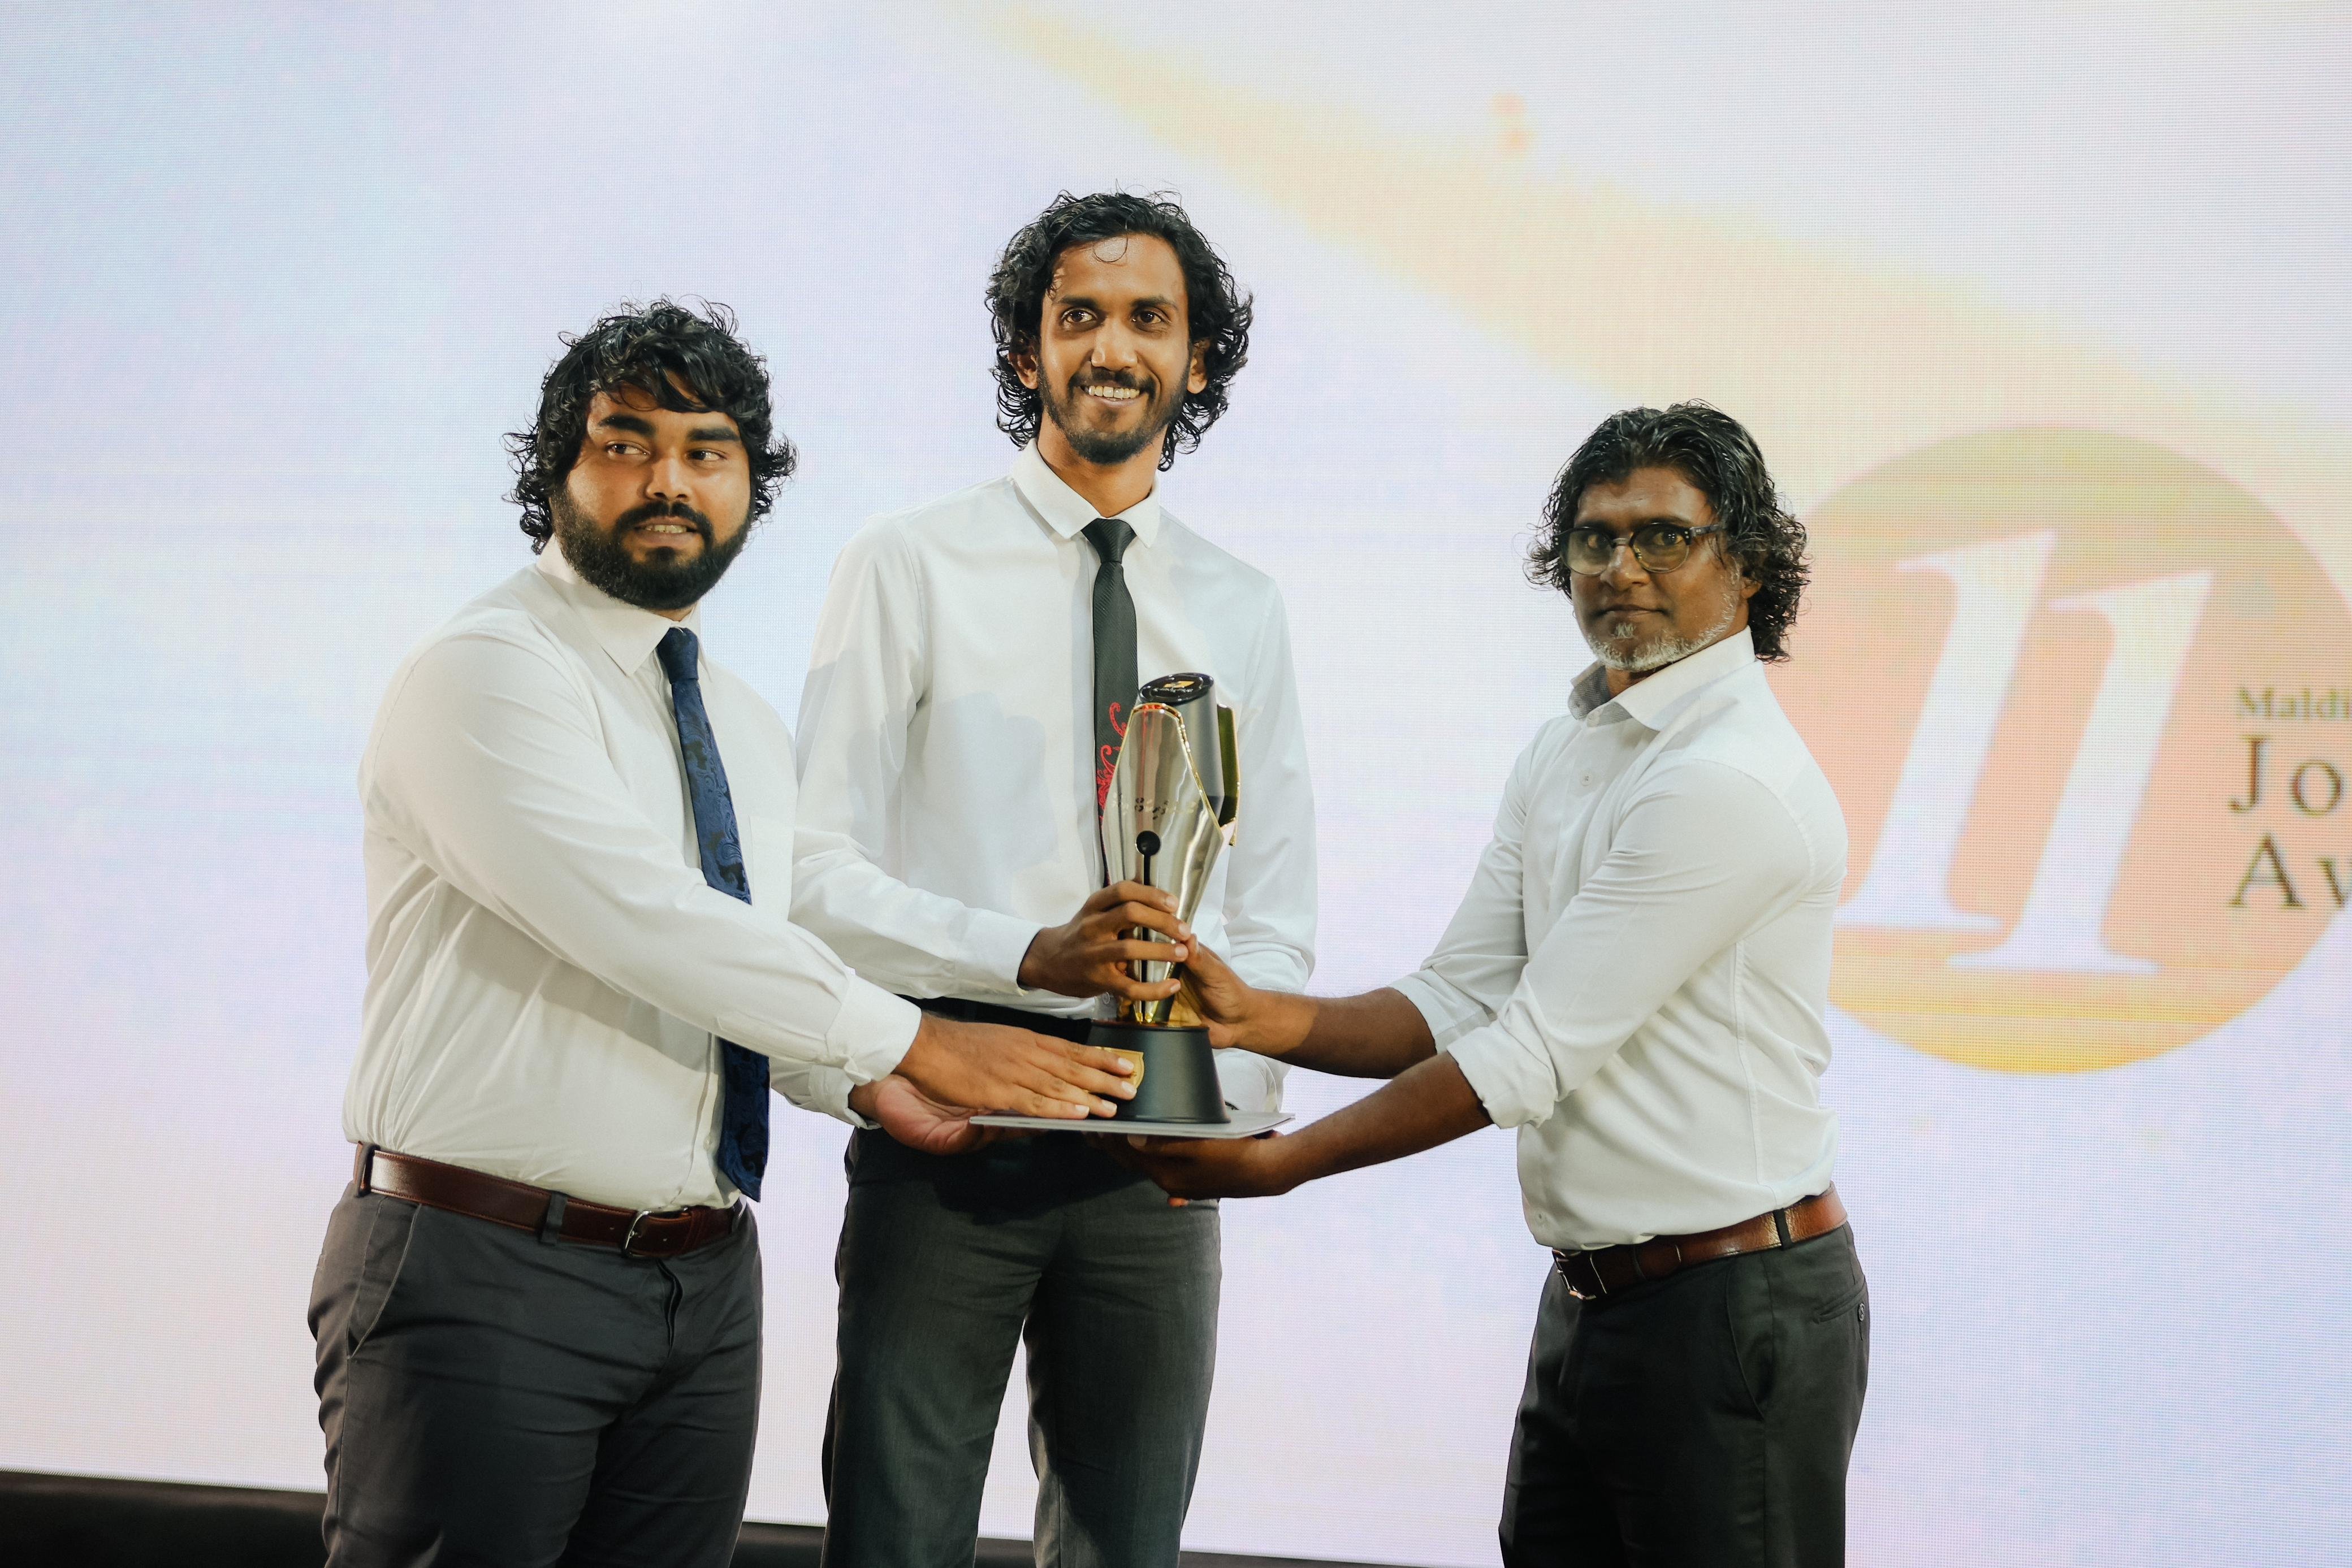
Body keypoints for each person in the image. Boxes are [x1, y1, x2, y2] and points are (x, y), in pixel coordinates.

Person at [308, 300, 1136, 1568]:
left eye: (708, 451)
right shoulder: (487, 670)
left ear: (752, 485)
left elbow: (738, 969)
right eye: (626, 443)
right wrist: (916, 1037)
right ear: (555, 470)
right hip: (485, 1266)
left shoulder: (739, 721)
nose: (669, 481)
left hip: (699, 1285)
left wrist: (860, 1080)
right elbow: (645, 926)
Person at [1124, 404, 1867, 1566]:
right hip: (1592, 1302)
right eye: (1594, 537)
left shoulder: (1726, 779)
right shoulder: (1569, 747)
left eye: (1663, 537)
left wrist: (1282, 1163)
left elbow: (1523, 1055)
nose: (1620, 567)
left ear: (1749, 564)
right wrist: (1254, 1014)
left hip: (1731, 1307)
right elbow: (1460, 996)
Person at [776, 192, 1317, 1567]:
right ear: (1028, 351)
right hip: (955, 1116)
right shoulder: (906, 564)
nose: (1113, 347)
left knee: (1125, 1546)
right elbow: (812, 874)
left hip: (1155, 1142)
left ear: (1195, 359)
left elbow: (1273, 910)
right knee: (896, 1539)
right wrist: (1025, 954)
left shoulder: (1242, 603)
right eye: (1079, 315)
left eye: (1149, 319)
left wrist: (1230, 1109)